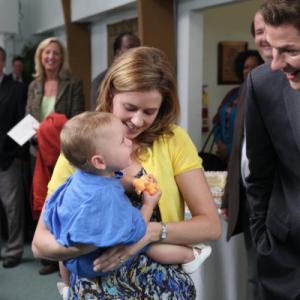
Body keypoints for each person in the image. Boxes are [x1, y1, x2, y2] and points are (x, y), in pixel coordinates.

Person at [32, 46, 221, 299]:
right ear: (111, 94)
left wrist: (147, 235)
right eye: (130, 107)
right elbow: (39, 243)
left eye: (149, 111)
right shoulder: (83, 143)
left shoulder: (173, 140)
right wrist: (95, 242)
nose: (137, 121)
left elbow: (210, 226)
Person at [45, 111, 212, 297]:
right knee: (146, 246)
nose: (130, 142)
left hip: (73, 260)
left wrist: (133, 182)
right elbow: (135, 231)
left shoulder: (84, 176)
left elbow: (114, 180)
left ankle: (67, 288)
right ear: (99, 161)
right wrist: (148, 204)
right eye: (122, 141)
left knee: (65, 256)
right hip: (96, 263)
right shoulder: (107, 198)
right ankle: (190, 255)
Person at [245, 1, 300, 299]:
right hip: (287, 260)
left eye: (290, 51)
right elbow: (260, 173)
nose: (277, 64)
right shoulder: (263, 83)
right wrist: (262, 240)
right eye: (273, 49)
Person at [221, 9, 272, 300]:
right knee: (255, 276)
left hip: (283, 201)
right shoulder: (251, 84)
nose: (263, 37)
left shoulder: (290, 81)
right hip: (252, 199)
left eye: (268, 29)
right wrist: (231, 193)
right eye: (258, 31)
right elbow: (238, 148)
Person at [26, 37, 85, 275]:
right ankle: (49, 255)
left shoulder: (73, 82)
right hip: (37, 151)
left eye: (56, 53)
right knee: (44, 201)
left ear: (62, 58)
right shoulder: (34, 86)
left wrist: (52, 129)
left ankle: (65, 252)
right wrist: (38, 133)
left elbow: (78, 118)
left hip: (64, 153)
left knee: (64, 202)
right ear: (40, 57)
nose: (51, 57)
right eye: (47, 53)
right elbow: (29, 116)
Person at [0, 46, 27, 268]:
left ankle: (14, 249)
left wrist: (13, 153)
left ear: (3, 62)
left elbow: (26, 124)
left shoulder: (17, 89)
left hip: (7, 158)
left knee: (12, 208)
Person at [213, 50, 263, 164]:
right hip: (224, 157)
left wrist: (231, 149)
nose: (249, 71)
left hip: (248, 159)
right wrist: (221, 145)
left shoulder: (263, 94)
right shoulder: (233, 93)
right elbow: (216, 123)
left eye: (254, 67)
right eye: (245, 67)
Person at [90, 32, 140, 110]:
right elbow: (98, 113)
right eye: (130, 47)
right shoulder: (101, 80)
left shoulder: (143, 75)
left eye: (138, 47)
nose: (136, 51)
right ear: (117, 53)